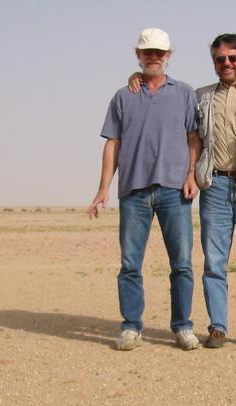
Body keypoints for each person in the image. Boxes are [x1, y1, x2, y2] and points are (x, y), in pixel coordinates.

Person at [130, 33, 236, 350]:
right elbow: (166, 98)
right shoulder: (200, 96)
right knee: (214, 263)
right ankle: (217, 327)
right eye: (221, 59)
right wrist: (138, 76)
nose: (227, 63)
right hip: (215, 187)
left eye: (233, 58)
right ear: (214, 62)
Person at [88, 28, 202, 351]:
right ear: (138, 55)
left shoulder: (184, 93)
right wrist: (103, 188)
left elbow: (195, 138)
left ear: (169, 56)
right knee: (130, 264)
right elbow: (113, 143)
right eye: (147, 52)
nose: (154, 57)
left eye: (159, 52)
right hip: (134, 190)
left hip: (174, 190)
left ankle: (182, 327)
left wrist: (192, 174)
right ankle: (131, 326)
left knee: (181, 263)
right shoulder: (124, 96)